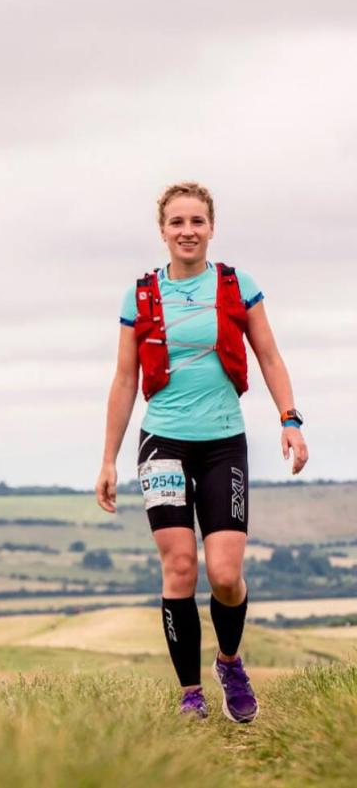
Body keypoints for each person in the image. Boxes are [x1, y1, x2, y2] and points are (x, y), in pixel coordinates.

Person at [94, 181, 309, 722]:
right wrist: (108, 459)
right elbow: (124, 381)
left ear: (211, 227)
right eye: (176, 223)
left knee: (226, 574)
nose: (187, 231)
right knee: (180, 566)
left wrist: (290, 419)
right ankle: (191, 694)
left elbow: (270, 357)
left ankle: (230, 662)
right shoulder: (139, 295)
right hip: (163, 441)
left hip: (222, 443)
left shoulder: (238, 285)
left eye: (197, 222)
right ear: (162, 231)